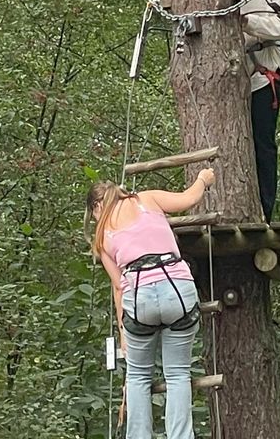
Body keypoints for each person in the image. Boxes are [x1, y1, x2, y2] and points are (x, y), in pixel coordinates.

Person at [88, 169, 215, 439]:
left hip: (139, 297)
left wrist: (123, 332)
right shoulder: (147, 199)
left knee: (137, 376)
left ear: (97, 206)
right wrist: (204, 178)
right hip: (177, 288)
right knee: (178, 374)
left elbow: (119, 285)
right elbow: (188, 198)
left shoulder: (102, 236)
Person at [232, 0, 280, 221]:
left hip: (266, 71)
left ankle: (264, 210)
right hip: (237, 76)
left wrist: (249, 21)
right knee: (238, 144)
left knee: (262, 142)